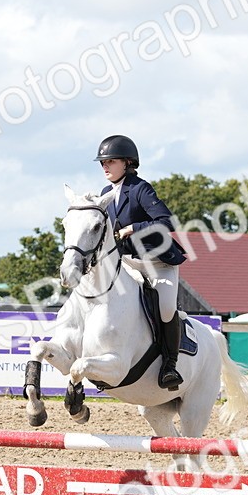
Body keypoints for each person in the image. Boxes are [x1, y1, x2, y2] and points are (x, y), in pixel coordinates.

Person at [95, 134, 188, 390]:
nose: (105, 166)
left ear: (127, 163)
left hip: (157, 264)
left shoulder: (140, 189)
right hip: (127, 262)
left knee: (166, 309)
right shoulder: (104, 194)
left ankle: (170, 367)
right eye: (102, 162)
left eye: (110, 161)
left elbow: (167, 222)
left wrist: (133, 228)